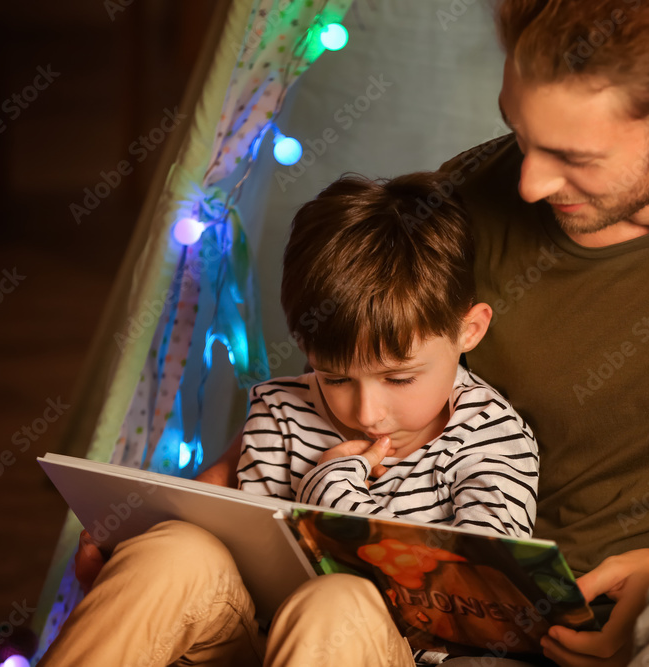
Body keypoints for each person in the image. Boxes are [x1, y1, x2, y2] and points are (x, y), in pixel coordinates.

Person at [258, 0, 649, 665]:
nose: (530, 182)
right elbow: (361, 408)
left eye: (573, 155)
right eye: (519, 134)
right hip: (510, 634)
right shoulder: (466, 205)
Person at [37, 172, 541, 666]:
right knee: (173, 553)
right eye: (336, 378)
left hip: (389, 653)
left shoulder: (493, 440)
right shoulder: (280, 412)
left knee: (335, 603)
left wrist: (331, 490)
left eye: (399, 379)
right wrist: (133, 569)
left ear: (468, 330)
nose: (366, 413)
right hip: (259, 641)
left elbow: (482, 613)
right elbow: (242, 574)